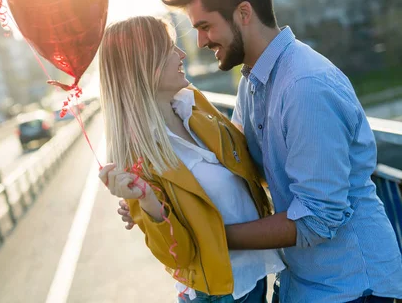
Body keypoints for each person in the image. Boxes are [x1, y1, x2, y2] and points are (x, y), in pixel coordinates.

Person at [117, 0, 402, 303]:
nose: (200, 42)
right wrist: (154, 207)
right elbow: (242, 170)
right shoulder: (254, 81)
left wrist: (209, 235)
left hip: (353, 287)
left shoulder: (304, 88)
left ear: (243, 13)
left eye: (205, 26)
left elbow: (316, 220)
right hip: (303, 281)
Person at [98, 15, 285, 303]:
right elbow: (178, 256)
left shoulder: (192, 106)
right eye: (168, 49)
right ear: (143, 66)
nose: (182, 54)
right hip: (217, 294)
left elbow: (246, 163)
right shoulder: (138, 160)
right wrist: (146, 203)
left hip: (253, 276)